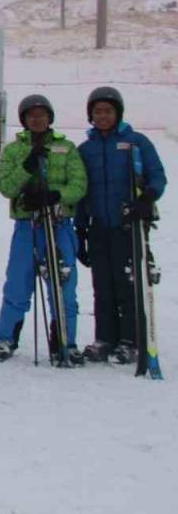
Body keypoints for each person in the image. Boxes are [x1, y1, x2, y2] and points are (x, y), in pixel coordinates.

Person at [0, 95, 87, 364]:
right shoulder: (13, 150)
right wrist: (26, 168)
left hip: (58, 225)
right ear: (24, 120)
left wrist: (56, 195)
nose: (37, 119)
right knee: (18, 284)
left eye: (42, 114)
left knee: (63, 284)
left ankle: (65, 341)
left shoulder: (66, 148)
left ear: (49, 118)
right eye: (31, 115)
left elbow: (79, 185)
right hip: (27, 225)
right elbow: (5, 186)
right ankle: (6, 338)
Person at [74, 87, 166, 364]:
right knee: (102, 285)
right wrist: (81, 229)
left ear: (118, 113)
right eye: (97, 111)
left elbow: (157, 175)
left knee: (127, 282)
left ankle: (130, 339)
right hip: (99, 225)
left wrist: (146, 198)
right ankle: (105, 338)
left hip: (129, 225)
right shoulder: (86, 149)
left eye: (108, 111)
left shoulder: (136, 142)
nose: (102, 116)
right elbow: (82, 192)